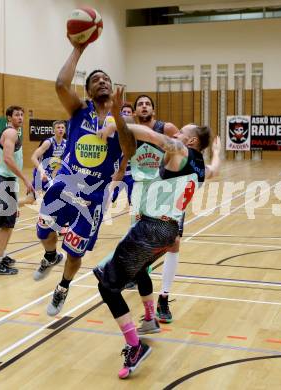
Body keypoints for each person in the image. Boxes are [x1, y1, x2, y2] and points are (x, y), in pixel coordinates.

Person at [94, 87, 221, 379]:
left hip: (154, 227)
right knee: (138, 270)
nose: (175, 135)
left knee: (106, 285)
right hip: (168, 229)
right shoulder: (200, 165)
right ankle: (150, 318)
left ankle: (135, 346)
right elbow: (216, 167)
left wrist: (117, 123)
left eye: (181, 133)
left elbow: (151, 136)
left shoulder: (181, 151)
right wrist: (217, 150)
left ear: (189, 141)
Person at [34, 37, 136, 317]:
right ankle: (50, 255)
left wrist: (118, 114)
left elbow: (129, 150)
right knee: (43, 233)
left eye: (106, 79)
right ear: (88, 91)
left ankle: (63, 286)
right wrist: (78, 49)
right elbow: (60, 85)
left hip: (93, 197)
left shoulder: (121, 120)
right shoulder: (79, 111)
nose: (102, 81)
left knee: (76, 252)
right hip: (64, 184)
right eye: (96, 80)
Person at [135, 95, 181, 323]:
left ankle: (164, 297)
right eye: (140, 104)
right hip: (143, 193)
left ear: (153, 109)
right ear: (135, 111)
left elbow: (184, 153)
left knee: (173, 244)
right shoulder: (132, 131)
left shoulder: (168, 128)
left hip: (169, 191)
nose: (144, 106)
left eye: (147, 103)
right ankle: (144, 285)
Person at [0, 106, 34, 275]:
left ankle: (2, 255)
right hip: (4, 180)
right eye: (17, 115)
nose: (21, 117)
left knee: (9, 223)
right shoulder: (11, 133)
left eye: (22, 114)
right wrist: (25, 179)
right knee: (4, 225)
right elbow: (8, 159)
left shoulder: (14, 132)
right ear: (9, 117)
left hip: (8, 181)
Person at [19, 120, 67, 206]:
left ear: (65, 130)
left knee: (31, 200)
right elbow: (33, 157)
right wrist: (42, 171)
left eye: (62, 128)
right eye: (58, 127)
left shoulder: (65, 144)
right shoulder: (48, 142)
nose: (60, 129)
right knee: (32, 200)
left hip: (52, 174)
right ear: (53, 130)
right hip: (41, 174)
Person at [111, 103, 135, 206]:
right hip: (117, 174)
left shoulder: (137, 132)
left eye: (128, 112)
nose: (125, 114)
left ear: (133, 114)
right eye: (123, 112)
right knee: (108, 200)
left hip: (132, 175)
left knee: (133, 204)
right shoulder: (113, 130)